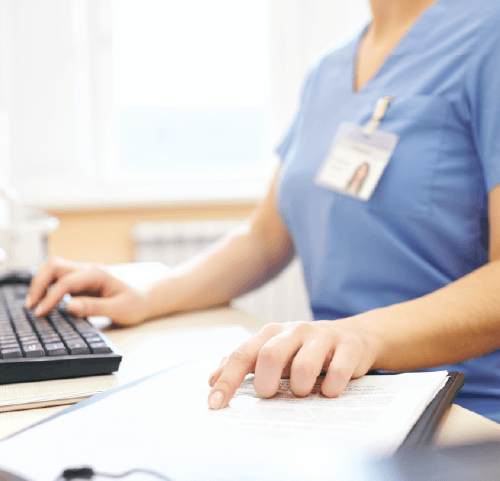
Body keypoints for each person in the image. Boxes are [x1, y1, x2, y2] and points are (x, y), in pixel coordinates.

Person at [25, 0, 500, 422]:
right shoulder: (329, 69)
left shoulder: (488, 36)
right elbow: (264, 238)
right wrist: (148, 294)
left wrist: (361, 336)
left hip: (464, 408)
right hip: (338, 395)